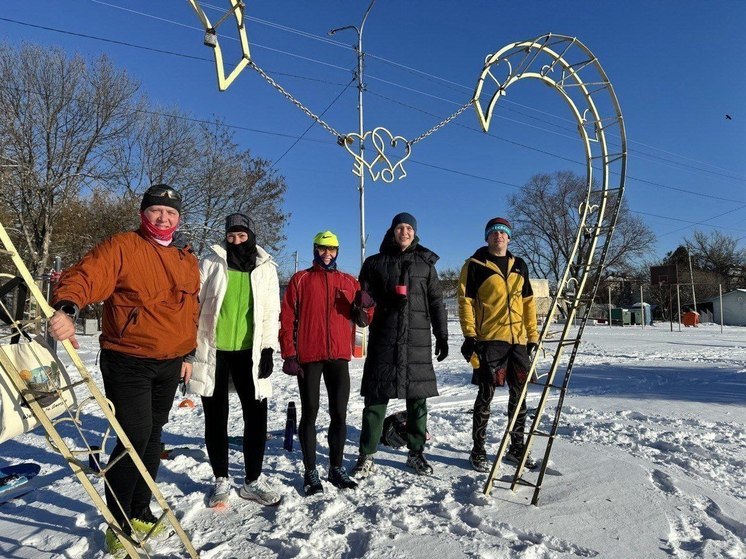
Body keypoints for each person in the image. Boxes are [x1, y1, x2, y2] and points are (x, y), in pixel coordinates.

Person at [49, 184, 200, 554]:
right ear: (143, 214)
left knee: (153, 437)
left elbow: (190, 311)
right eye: (156, 211)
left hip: (170, 363)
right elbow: (85, 276)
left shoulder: (186, 257)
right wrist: (68, 307)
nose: (163, 218)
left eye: (171, 213)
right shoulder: (122, 246)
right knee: (134, 436)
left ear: (178, 219)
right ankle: (117, 522)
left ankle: (139, 508)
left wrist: (187, 355)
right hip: (129, 359)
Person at [189, 213, 281, 508]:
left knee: (256, 418)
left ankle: (252, 480)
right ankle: (220, 479)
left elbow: (270, 313)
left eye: (242, 236)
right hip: (214, 351)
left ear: (251, 236)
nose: (236, 241)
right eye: (231, 236)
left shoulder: (266, 269)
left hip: (250, 353)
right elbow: (193, 303)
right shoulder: (211, 262)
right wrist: (188, 346)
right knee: (216, 417)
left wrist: (268, 348)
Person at [351, 212, 448, 477]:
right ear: (392, 231)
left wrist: (442, 335)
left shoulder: (426, 264)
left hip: (416, 342)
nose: (404, 232)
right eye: (399, 227)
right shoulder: (374, 263)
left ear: (414, 232)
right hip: (385, 339)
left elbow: (437, 301)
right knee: (376, 399)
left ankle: (415, 453)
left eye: (408, 228)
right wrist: (379, 305)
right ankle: (367, 455)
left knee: (417, 401)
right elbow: (363, 300)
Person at [279, 231, 374, 496]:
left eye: (331, 249)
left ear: (337, 251)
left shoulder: (349, 281)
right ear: (314, 250)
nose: (327, 254)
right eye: (322, 249)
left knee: (339, 414)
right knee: (310, 412)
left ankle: (336, 467)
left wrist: (365, 307)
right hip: (308, 356)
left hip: (338, 357)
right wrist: (289, 353)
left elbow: (365, 321)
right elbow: (287, 319)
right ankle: (310, 471)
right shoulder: (301, 279)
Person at [457, 217, 539, 473]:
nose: (499, 236)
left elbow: (528, 304)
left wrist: (533, 336)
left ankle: (516, 449)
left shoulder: (520, 266)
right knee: (486, 396)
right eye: (493, 233)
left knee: (519, 396)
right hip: (489, 340)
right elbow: (465, 302)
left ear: (509, 238)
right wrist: (470, 336)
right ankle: (478, 451)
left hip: (518, 342)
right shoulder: (474, 265)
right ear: (487, 238)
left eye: (503, 233)